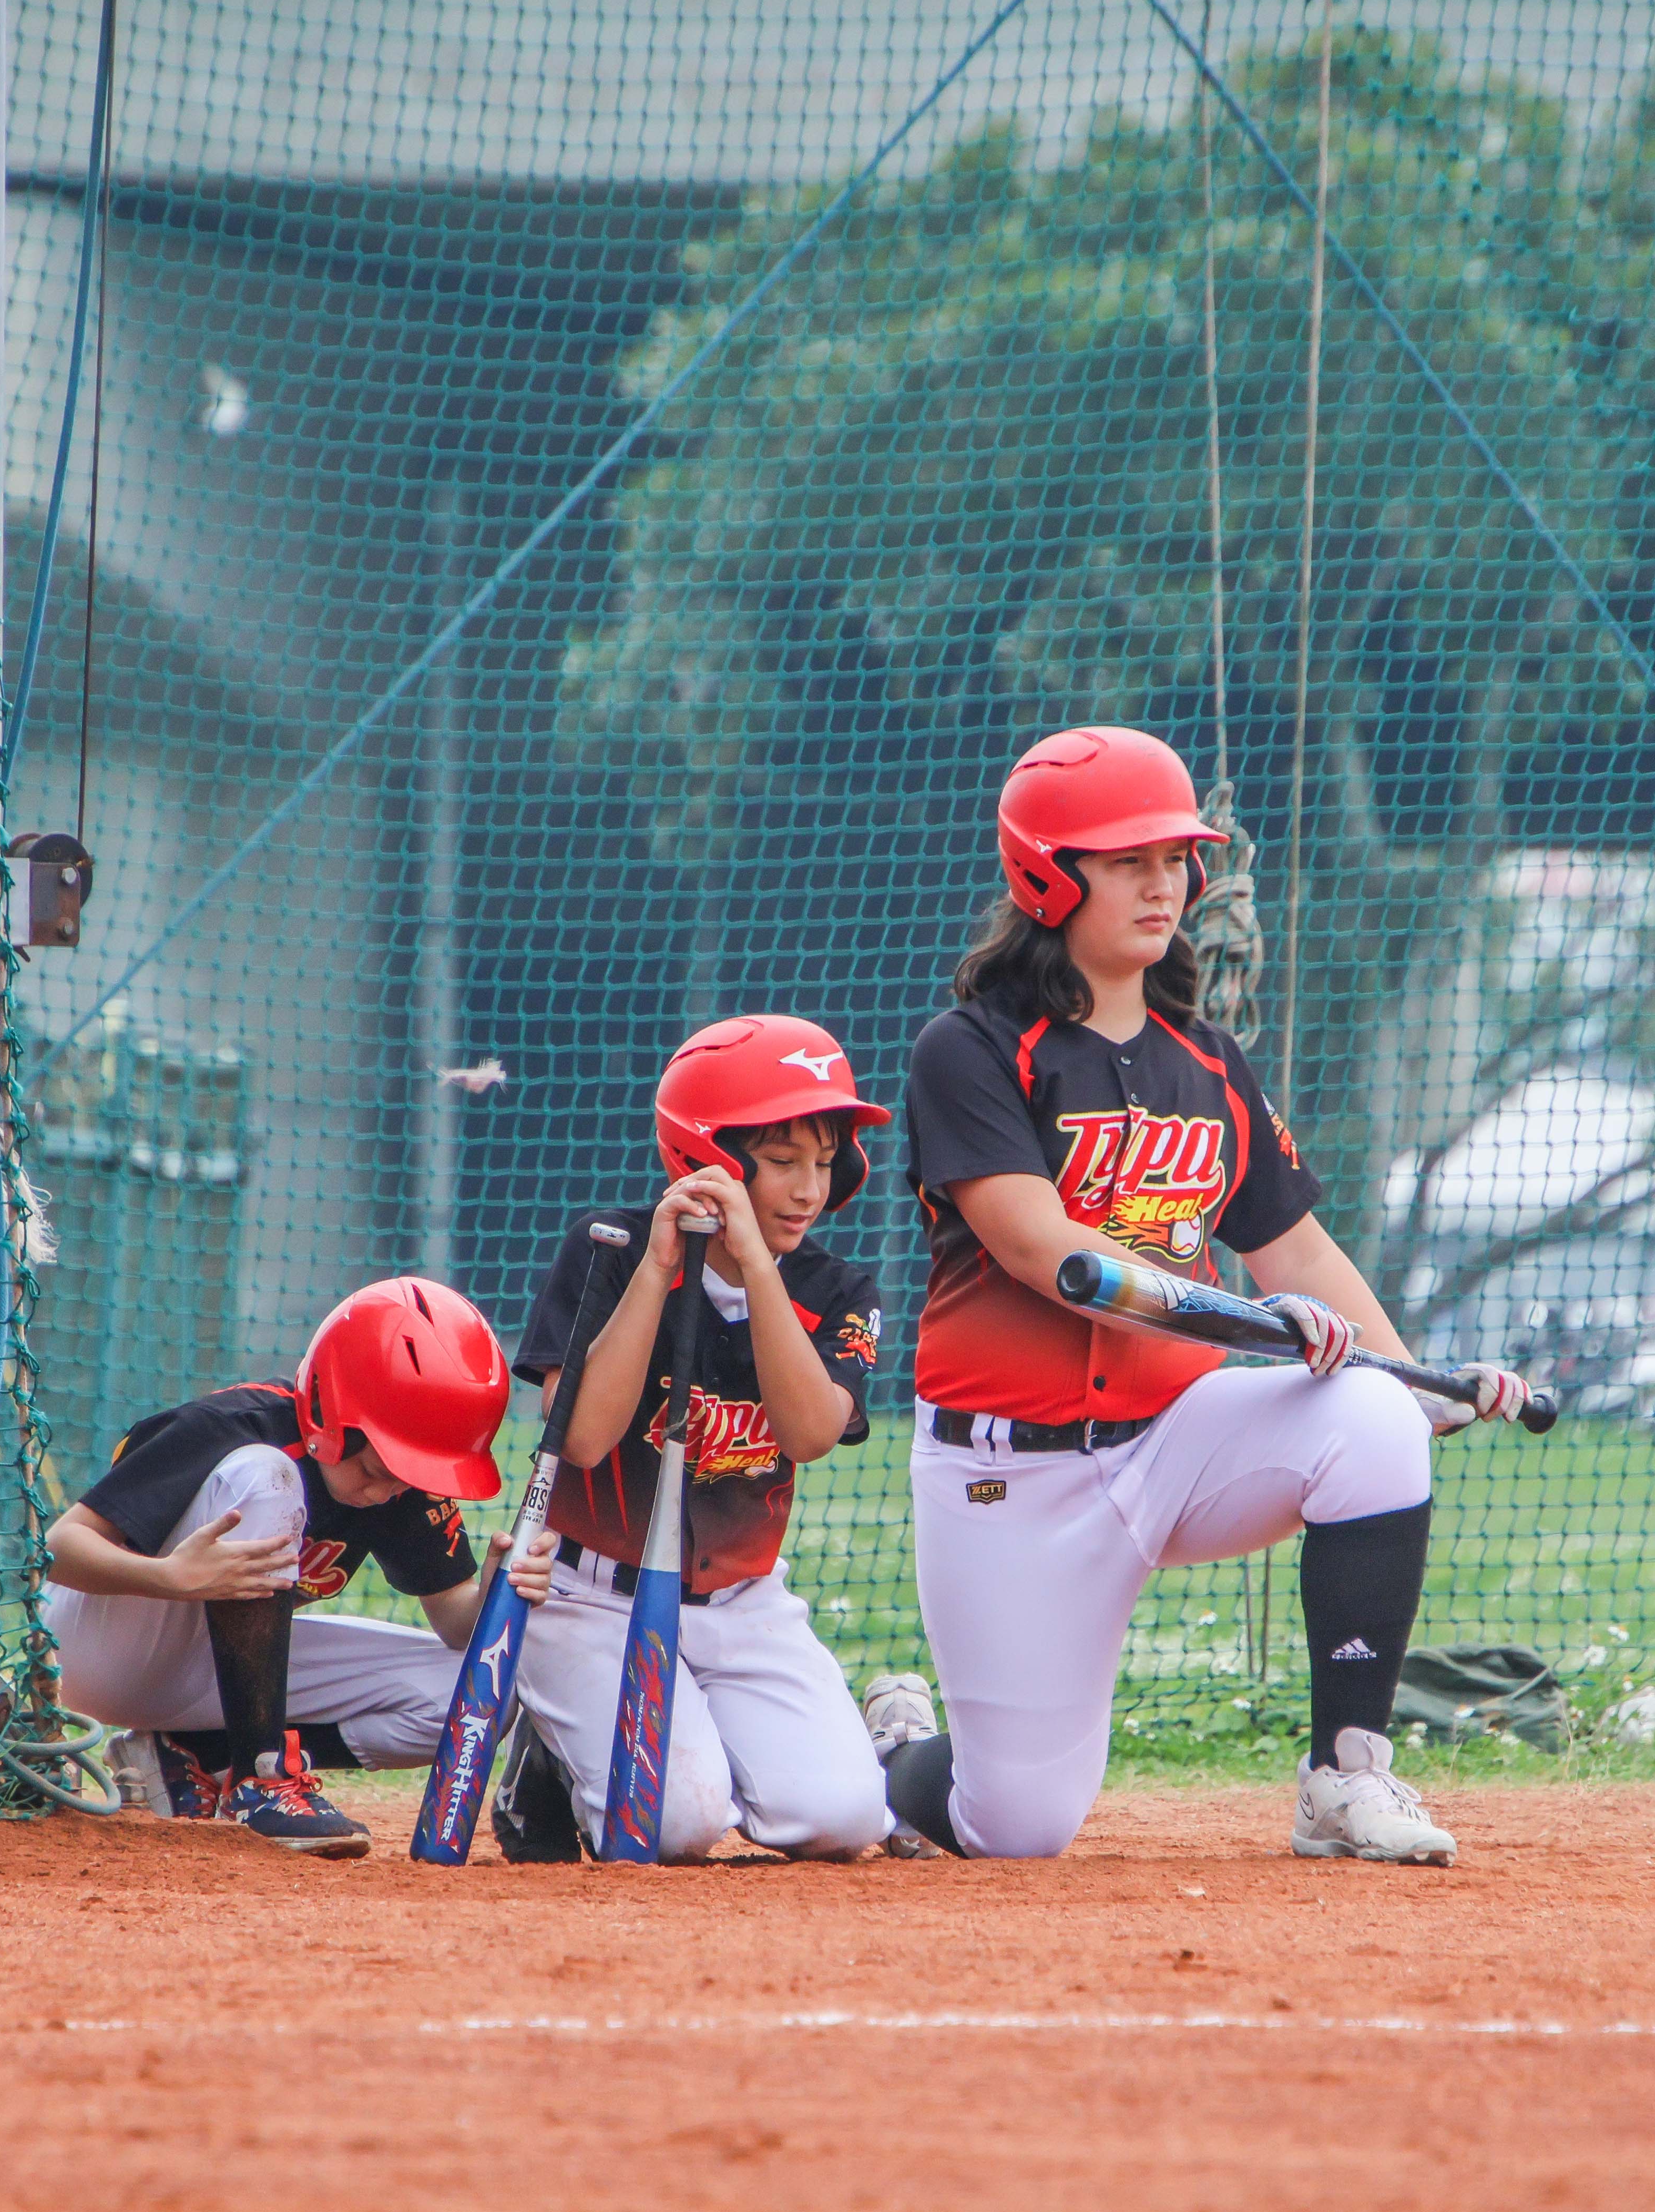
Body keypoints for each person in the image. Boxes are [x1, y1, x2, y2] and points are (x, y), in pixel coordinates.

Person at [879, 725, 1531, 1866]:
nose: (1165, 884)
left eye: (1176, 858)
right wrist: (1259, 1327)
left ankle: (1345, 1775)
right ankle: (890, 1750)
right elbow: (1048, 1253)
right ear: (1048, 876)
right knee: (1014, 1827)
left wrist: (1415, 1381)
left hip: (1171, 1441)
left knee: (1370, 1419)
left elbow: (1299, 1254)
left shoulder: (1210, 1061)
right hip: (1010, 1476)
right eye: (1128, 860)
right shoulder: (972, 1048)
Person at [495, 1016, 900, 1863]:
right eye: (783, 1160)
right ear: (705, 1157)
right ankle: (549, 1756)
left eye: (825, 1161)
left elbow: (811, 1433)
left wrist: (756, 1271)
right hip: (592, 1599)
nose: (809, 1189)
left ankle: (836, 1738)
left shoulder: (838, 1289)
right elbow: (582, 1439)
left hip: (744, 1606)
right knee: (675, 1827)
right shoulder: (609, 1250)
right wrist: (658, 1270)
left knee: (844, 1819)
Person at [41, 1276, 550, 1857]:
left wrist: (498, 1589)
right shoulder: (232, 1428)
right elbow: (58, 1547)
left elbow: (458, 1628)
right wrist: (170, 1577)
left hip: (224, 1677)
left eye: (409, 1475)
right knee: (267, 1476)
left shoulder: (401, 1484)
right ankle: (262, 1778)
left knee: (478, 1689)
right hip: (105, 1648)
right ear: (332, 1414)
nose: (390, 1490)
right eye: (378, 1469)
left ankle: (197, 1755)